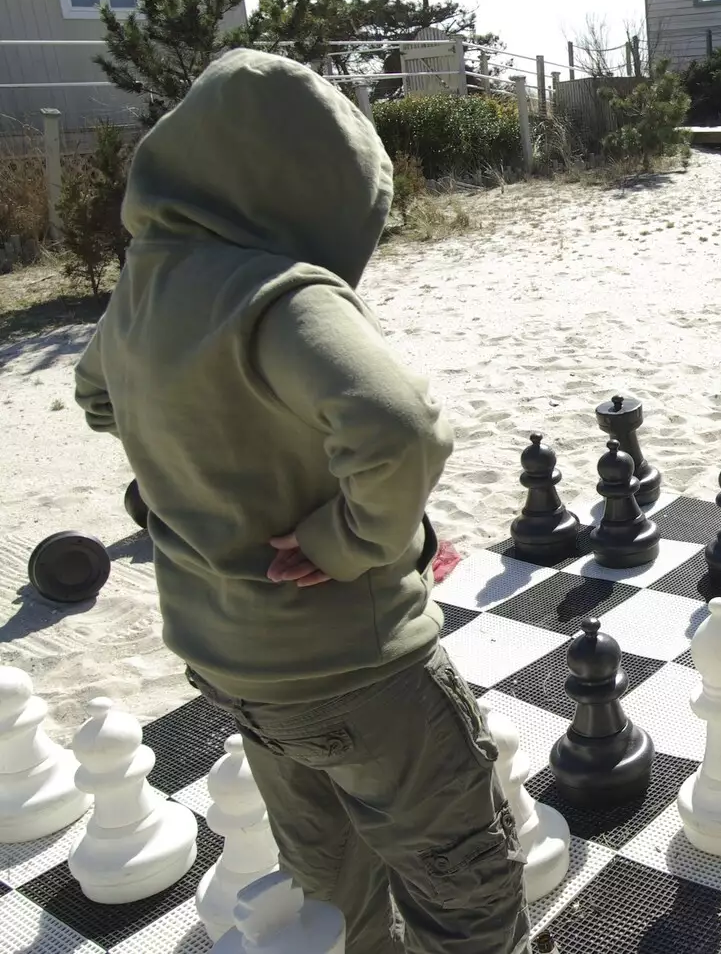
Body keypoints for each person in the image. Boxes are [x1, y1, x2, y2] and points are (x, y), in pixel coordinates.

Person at [72, 49, 529, 954]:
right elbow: (400, 425)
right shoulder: (277, 292)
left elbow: (97, 399)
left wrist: (187, 462)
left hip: (232, 668)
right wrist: (346, 539)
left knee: (330, 883)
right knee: (463, 887)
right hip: (358, 669)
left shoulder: (144, 287)